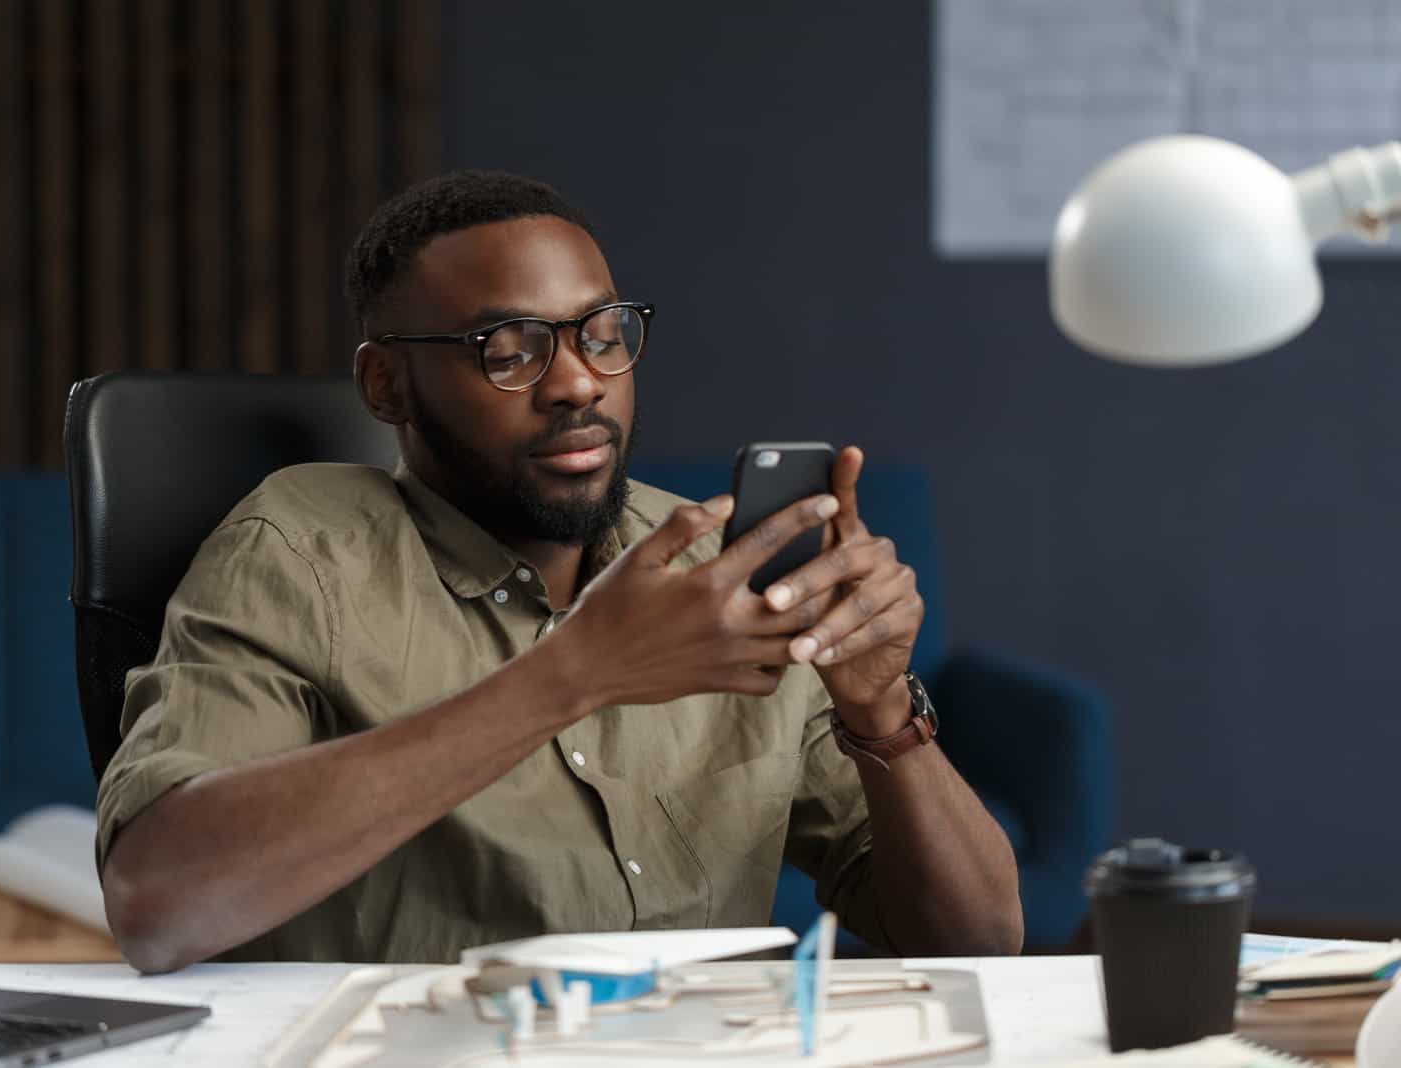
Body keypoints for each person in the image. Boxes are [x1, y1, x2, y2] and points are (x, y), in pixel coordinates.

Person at [96, 171, 1022, 974]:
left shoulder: (719, 568)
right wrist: (574, 675)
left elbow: (977, 942)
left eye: (602, 334)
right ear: (385, 387)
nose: (577, 381)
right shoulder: (299, 549)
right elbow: (161, 909)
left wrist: (884, 717)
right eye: (507, 348)